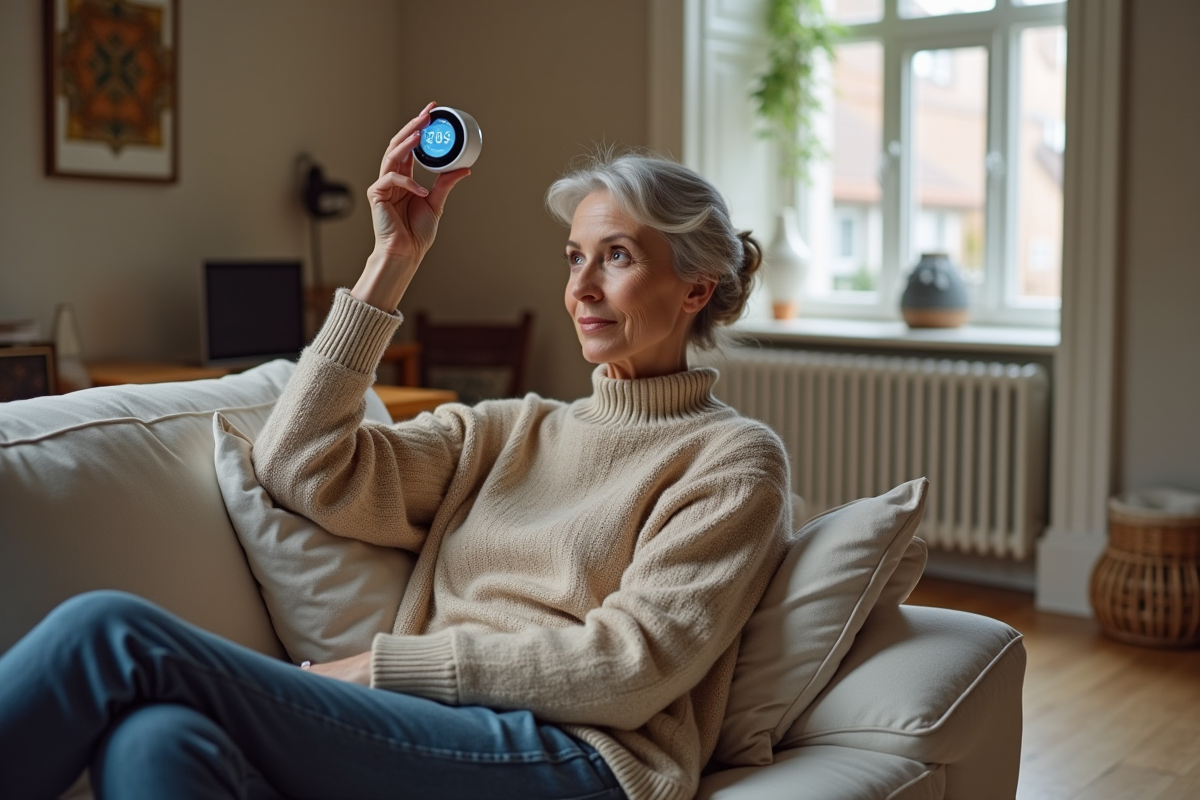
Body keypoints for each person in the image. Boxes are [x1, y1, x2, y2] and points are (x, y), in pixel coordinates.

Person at [0, 103, 790, 800]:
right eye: (574, 257)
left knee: (114, 633)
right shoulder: (507, 430)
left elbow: (632, 666)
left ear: (695, 288)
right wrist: (393, 261)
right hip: (428, 732)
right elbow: (299, 467)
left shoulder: (731, 460)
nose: (581, 286)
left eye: (616, 256)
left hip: (582, 760)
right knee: (157, 741)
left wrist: (381, 670)